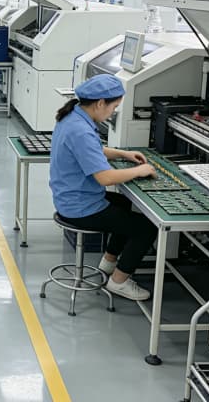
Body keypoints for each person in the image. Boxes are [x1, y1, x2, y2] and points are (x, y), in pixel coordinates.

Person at [49, 74, 158, 301]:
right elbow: (106, 178)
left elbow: (94, 149)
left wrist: (123, 154)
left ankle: (109, 262)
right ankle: (119, 282)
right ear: (100, 103)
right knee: (146, 228)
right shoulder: (80, 130)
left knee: (123, 203)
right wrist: (140, 171)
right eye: (114, 107)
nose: (113, 112)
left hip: (70, 198)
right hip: (80, 208)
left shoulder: (73, 117)